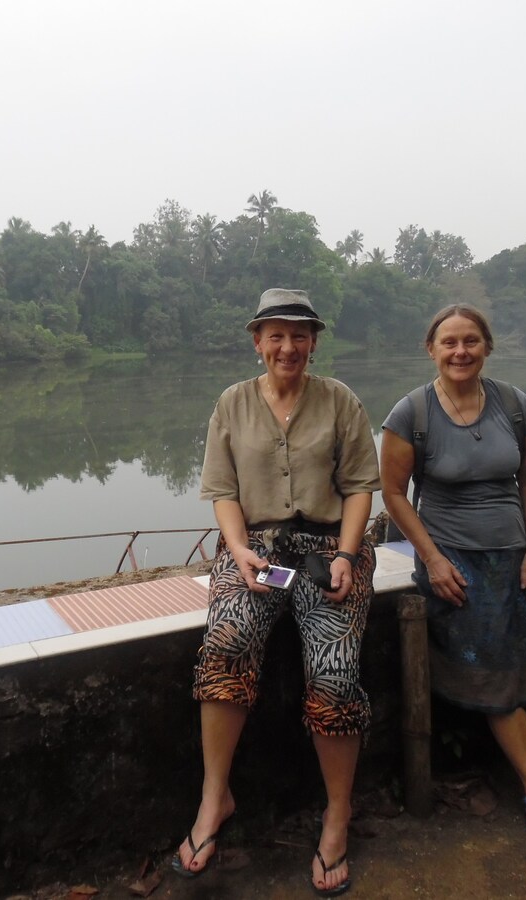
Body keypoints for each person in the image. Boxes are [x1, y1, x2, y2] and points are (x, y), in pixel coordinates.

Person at [379, 304, 526, 859]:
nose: (460, 352)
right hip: (455, 561)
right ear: (431, 350)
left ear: (486, 346)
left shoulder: (512, 404)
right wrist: (434, 561)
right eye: (449, 343)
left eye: (471, 341)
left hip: (518, 557)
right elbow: (392, 494)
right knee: (495, 676)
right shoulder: (411, 413)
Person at [172, 288, 381, 897]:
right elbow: (222, 490)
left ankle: (337, 815)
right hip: (255, 548)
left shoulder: (340, 401)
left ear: (314, 341)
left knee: (336, 673)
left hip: (327, 550)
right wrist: (239, 553)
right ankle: (216, 799)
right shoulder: (231, 404)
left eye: (299, 335)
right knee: (225, 645)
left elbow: (362, 485)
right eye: (275, 335)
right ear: (257, 341)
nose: (287, 347)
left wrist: (345, 555)